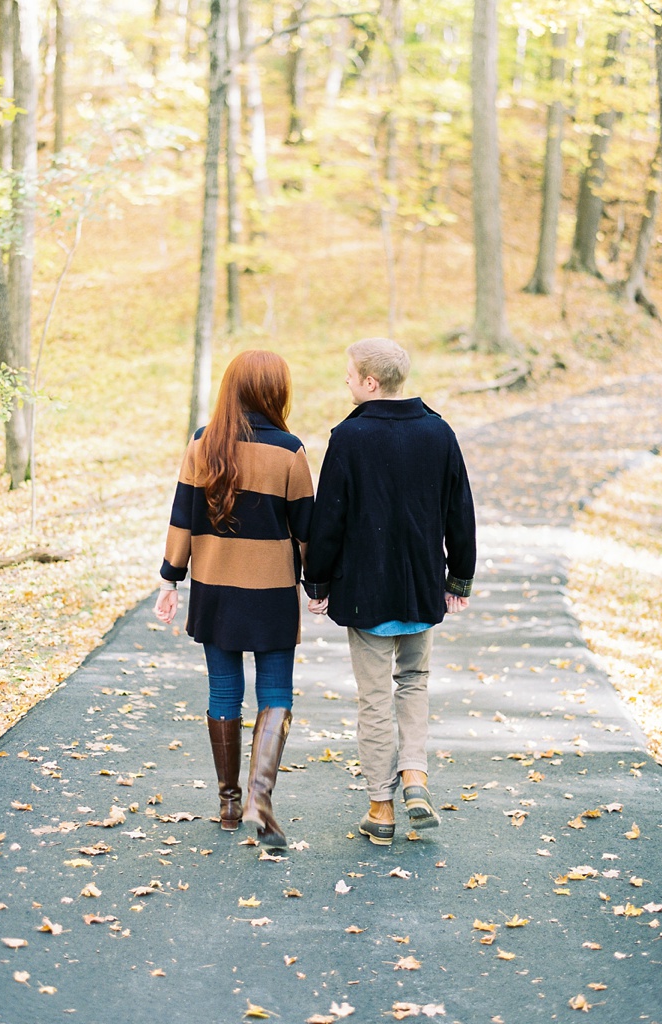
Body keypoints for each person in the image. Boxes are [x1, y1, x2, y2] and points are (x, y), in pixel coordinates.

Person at [303, 338, 476, 846]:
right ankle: (416, 778)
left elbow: (328, 517)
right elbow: (459, 510)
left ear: (371, 383)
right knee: (415, 681)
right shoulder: (439, 432)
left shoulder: (350, 437)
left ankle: (381, 807)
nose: (347, 381)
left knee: (374, 697)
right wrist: (458, 577)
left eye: (350, 374)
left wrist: (318, 581)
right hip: (422, 584)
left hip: (365, 590)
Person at [154, 350, 314, 848]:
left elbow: (182, 515)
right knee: (276, 693)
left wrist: (170, 579)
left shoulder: (203, 443)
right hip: (270, 593)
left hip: (214, 590)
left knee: (223, 692)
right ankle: (259, 799)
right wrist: (319, 584)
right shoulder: (289, 451)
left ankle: (228, 804)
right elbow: (307, 529)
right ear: (275, 393)